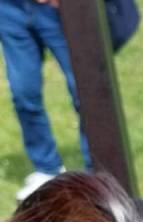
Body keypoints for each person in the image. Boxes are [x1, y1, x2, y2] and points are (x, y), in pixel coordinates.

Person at [1, 0, 91, 202]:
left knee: (85, 91)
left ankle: (97, 170)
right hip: (10, 9)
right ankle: (46, 168)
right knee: (23, 93)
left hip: (57, 9)